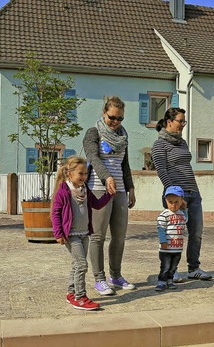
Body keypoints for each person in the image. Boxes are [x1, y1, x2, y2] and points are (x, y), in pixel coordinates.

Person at [83, 96, 136, 296]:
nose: (115, 122)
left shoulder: (123, 136)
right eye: (112, 117)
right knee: (98, 236)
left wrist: (130, 188)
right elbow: (93, 158)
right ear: (104, 113)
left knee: (119, 236)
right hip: (98, 188)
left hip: (120, 190)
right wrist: (106, 178)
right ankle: (99, 279)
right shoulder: (93, 133)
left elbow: (125, 165)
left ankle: (116, 275)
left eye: (120, 118)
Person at [151, 107, 213, 281]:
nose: (183, 125)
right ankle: (172, 270)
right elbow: (161, 171)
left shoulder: (182, 142)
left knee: (196, 232)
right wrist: (175, 197)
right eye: (181, 121)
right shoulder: (159, 145)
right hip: (175, 196)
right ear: (169, 122)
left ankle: (194, 268)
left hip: (193, 192)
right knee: (174, 234)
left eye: (184, 121)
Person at [51, 156, 113, 310]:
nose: (84, 177)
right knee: (82, 265)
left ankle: (71, 293)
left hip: (84, 234)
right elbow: (55, 212)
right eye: (81, 173)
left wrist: (109, 194)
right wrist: (58, 233)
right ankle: (80, 297)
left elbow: (97, 205)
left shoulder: (85, 190)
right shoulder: (63, 191)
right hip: (71, 235)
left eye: (86, 174)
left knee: (76, 265)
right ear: (69, 173)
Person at [155, 186, 187, 291]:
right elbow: (160, 229)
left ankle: (170, 280)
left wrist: (185, 209)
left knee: (174, 267)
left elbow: (185, 220)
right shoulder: (164, 215)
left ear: (182, 201)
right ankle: (161, 282)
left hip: (177, 248)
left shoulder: (181, 214)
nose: (173, 204)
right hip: (166, 248)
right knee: (165, 266)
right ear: (166, 201)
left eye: (177, 202)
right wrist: (163, 241)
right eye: (170, 201)